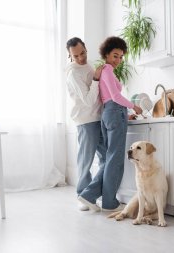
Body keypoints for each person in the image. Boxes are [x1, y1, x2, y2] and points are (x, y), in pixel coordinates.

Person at [78, 36, 142, 212]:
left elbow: (109, 98)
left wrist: (125, 113)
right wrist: (134, 106)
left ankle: (90, 195)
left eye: (121, 57)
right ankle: (107, 201)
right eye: (115, 55)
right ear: (106, 54)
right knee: (114, 159)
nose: (118, 60)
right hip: (114, 112)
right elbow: (115, 97)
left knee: (110, 158)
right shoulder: (107, 70)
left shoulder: (105, 71)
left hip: (109, 112)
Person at [65, 37, 106, 211]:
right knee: (86, 161)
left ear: (86, 49)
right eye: (76, 56)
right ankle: (82, 194)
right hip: (86, 121)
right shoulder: (74, 73)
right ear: (70, 56)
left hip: (98, 118)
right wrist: (96, 80)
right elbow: (89, 101)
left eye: (82, 53)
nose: (81, 58)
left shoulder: (88, 66)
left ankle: (89, 194)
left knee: (108, 159)